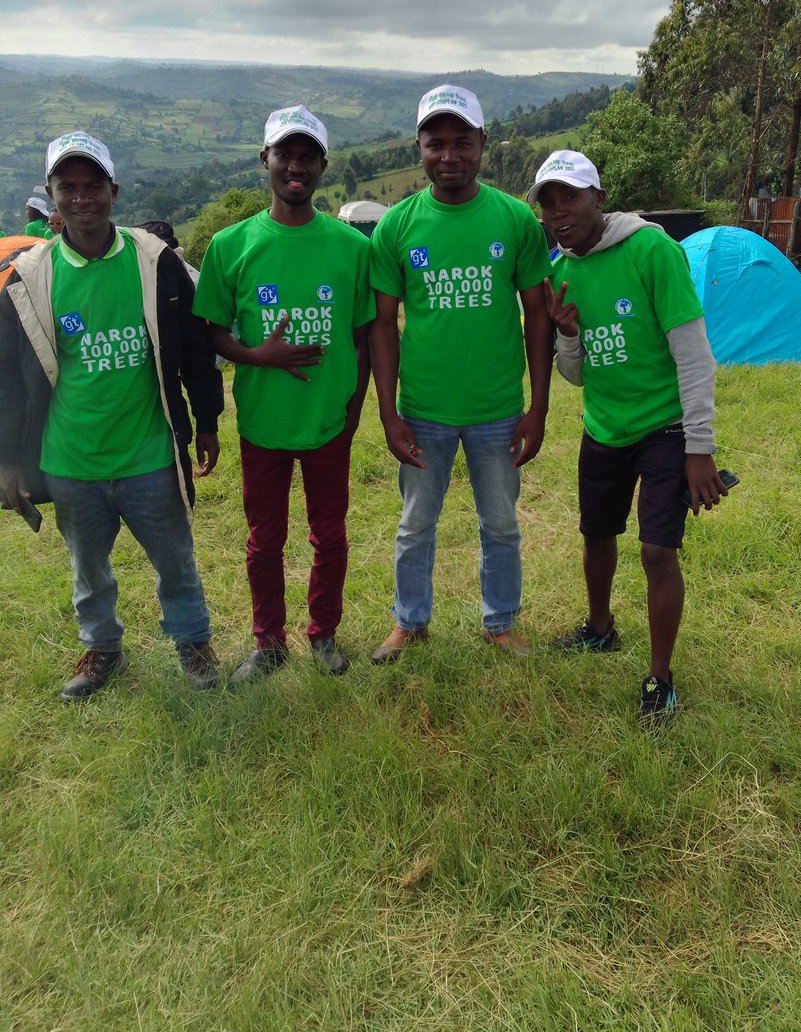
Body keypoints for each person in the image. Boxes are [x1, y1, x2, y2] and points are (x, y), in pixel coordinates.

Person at [0, 131, 225, 700]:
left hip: (148, 452)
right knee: (88, 572)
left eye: (93, 185)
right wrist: (7, 461)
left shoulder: (155, 264)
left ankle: (192, 642)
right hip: (71, 461)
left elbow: (196, 351)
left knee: (175, 561)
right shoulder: (31, 279)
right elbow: (6, 382)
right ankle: (101, 649)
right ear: (51, 197)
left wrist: (207, 422)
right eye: (67, 187)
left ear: (113, 191)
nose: (82, 198)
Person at [532, 150, 728, 725]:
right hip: (604, 428)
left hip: (665, 427)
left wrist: (700, 447)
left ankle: (660, 678)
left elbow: (693, 355)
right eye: (548, 201)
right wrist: (567, 335)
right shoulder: (561, 271)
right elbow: (575, 374)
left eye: (570, 196)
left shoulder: (652, 250)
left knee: (656, 550)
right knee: (596, 535)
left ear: (598, 196)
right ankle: (600, 629)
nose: (559, 210)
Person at [368, 83, 552, 662]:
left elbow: (539, 317)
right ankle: (410, 622)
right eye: (435, 143)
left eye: (461, 142)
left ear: (483, 145)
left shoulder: (516, 220)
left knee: (500, 524)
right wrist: (388, 411)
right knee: (414, 527)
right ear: (418, 147)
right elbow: (381, 326)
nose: (449, 155)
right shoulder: (395, 226)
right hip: (423, 409)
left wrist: (539, 406)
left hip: (498, 409)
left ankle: (499, 622)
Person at [193, 104, 373, 680]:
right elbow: (213, 330)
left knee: (330, 535)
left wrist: (356, 405)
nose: (295, 166)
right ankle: (268, 641)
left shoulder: (351, 247)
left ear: (322, 164)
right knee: (264, 540)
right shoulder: (230, 245)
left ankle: (323, 636)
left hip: (328, 421)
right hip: (263, 424)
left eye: (307, 156)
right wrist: (255, 355)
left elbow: (363, 334)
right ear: (264, 160)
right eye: (284, 155)